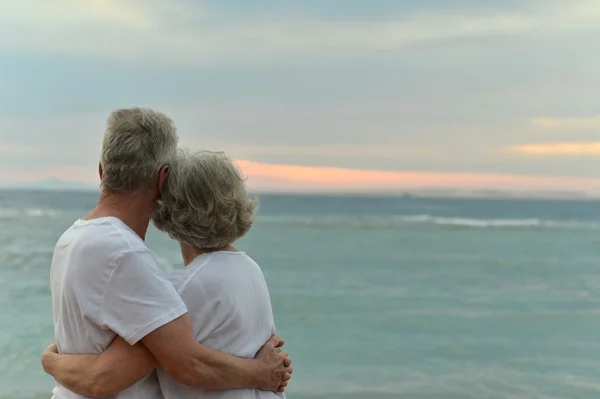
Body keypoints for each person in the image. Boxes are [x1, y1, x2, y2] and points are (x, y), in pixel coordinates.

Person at [42, 108, 291, 399]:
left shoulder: (70, 240)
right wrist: (262, 373)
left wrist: (51, 360)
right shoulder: (126, 254)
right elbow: (183, 363)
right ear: (162, 178)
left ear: (101, 170)